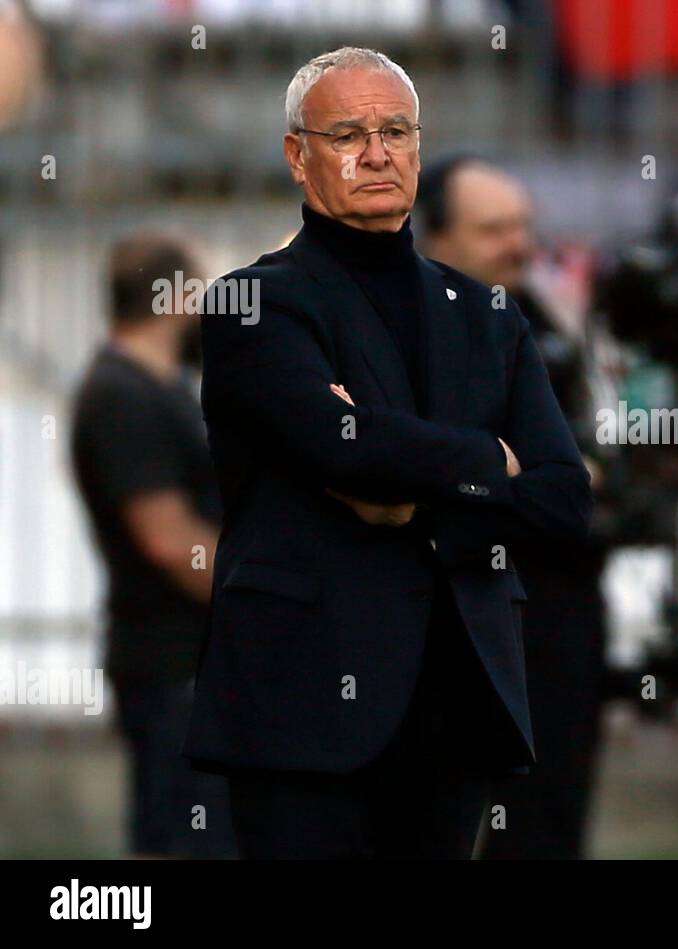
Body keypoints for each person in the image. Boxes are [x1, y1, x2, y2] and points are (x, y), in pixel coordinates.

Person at [181, 47, 592, 860]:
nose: (377, 153)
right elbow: (343, 450)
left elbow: (564, 501)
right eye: (348, 134)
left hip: (457, 702)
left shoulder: (488, 316)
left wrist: (417, 501)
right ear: (299, 155)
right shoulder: (253, 303)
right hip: (304, 702)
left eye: (396, 130)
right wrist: (489, 461)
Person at [420, 154, 611, 858]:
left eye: (523, 226)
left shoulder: (537, 319)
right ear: (436, 237)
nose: (518, 244)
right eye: (494, 229)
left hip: (560, 600)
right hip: (469, 605)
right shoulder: (412, 325)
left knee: (554, 808)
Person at [70, 234, 237, 858]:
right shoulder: (122, 395)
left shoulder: (161, 389)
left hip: (190, 667)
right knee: (181, 841)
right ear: (177, 297)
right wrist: (264, 597)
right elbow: (167, 540)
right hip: (171, 667)